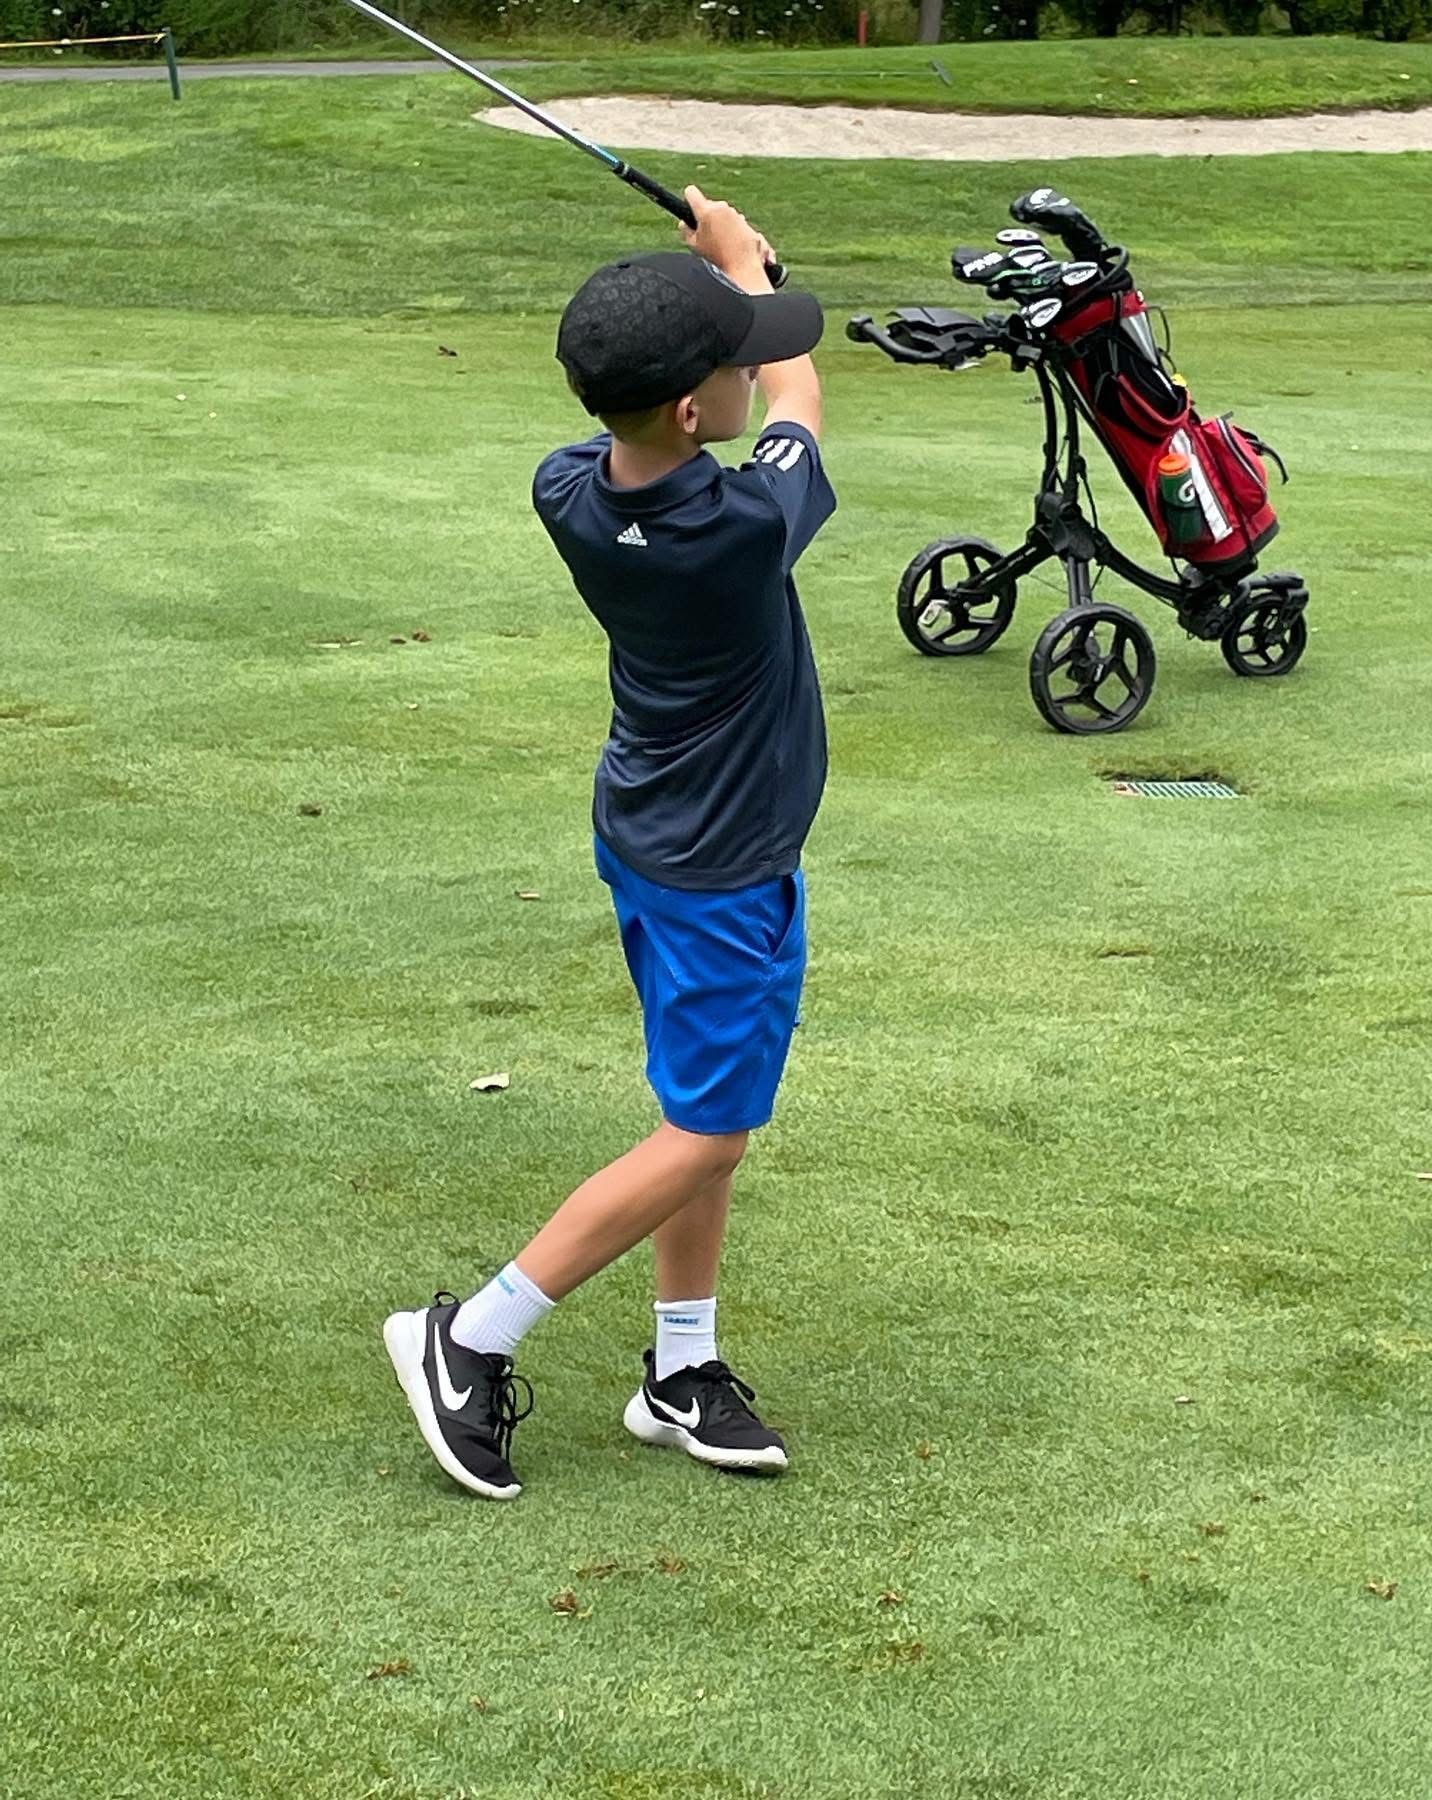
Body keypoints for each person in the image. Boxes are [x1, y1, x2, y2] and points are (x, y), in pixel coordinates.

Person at [383, 188, 835, 1500]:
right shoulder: (741, 532)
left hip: (656, 834)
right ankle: (468, 1340)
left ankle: (680, 1370)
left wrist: (712, 304)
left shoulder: (569, 486)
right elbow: (801, 402)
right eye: (728, 360)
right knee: (706, 1129)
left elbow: (720, 396)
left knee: (708, 1114)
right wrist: (742, 269)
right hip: (721, 869)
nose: (751, 364)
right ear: (694, 408)